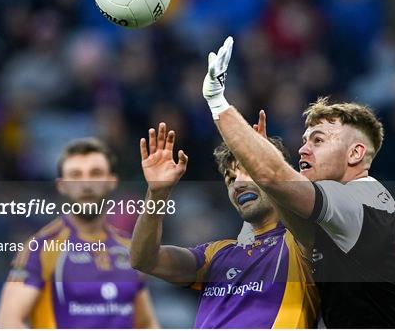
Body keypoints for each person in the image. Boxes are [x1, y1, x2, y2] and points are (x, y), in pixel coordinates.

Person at [201, 36, 395, 327]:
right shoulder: (355, 211)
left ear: (355, 153)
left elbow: (273, 177)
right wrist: (259, 157)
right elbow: (280, 193)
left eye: (318, 140)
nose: (303, 149)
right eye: (305, 141)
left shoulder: (354, 201)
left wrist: (217, 102)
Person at [130, 123, 319, 328]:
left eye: (249, 172)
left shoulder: (301, 244)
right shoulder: (215, 254)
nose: (237, 184)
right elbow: (144, 259)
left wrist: (271, 171)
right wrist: (157, 193)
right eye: (230, 180)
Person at [0, 138, 159, 328]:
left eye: (96, 173)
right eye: (76, 175)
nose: (86, 184)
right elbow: (8, 321)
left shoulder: (131, 247)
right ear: (61, 185)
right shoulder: (41, 247)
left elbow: (146, 324)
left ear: (112, 182)